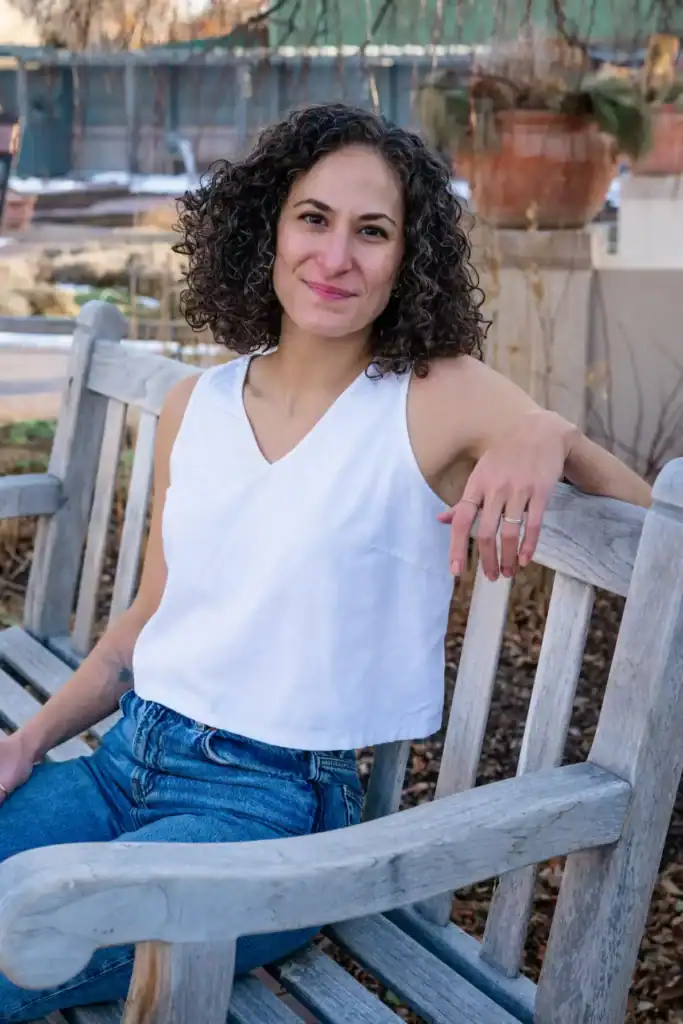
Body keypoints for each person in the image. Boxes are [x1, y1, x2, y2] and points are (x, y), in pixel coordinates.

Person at [0, 103, 651, 1021]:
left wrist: (551, 430)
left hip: (269, 817)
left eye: (372, 232)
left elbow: (653, 526)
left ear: (407, 257)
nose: (335, 256)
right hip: (123, 764)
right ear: (266, 226)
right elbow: (142, 627)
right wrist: (27, 742)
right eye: (313, 218)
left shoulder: (433, 396)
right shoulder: (200, 403)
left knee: (11, 948)